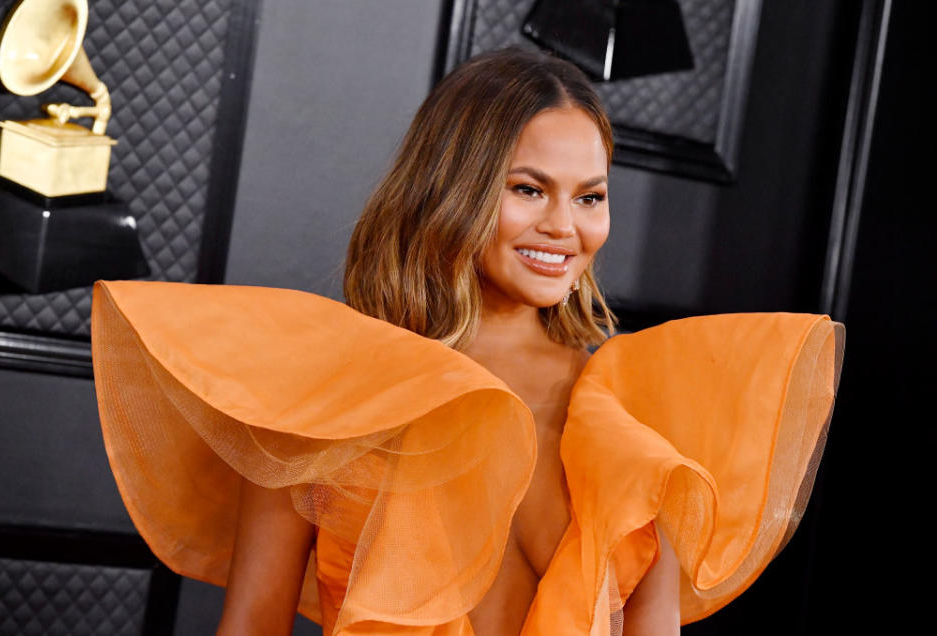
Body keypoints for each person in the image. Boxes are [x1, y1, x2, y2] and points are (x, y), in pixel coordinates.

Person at [90, 48, 844, 635]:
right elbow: (253, 626)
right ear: (453, 187)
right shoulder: (324, 396)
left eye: (590, 197)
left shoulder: (641, 406)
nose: (564, 227)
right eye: (527, 189)